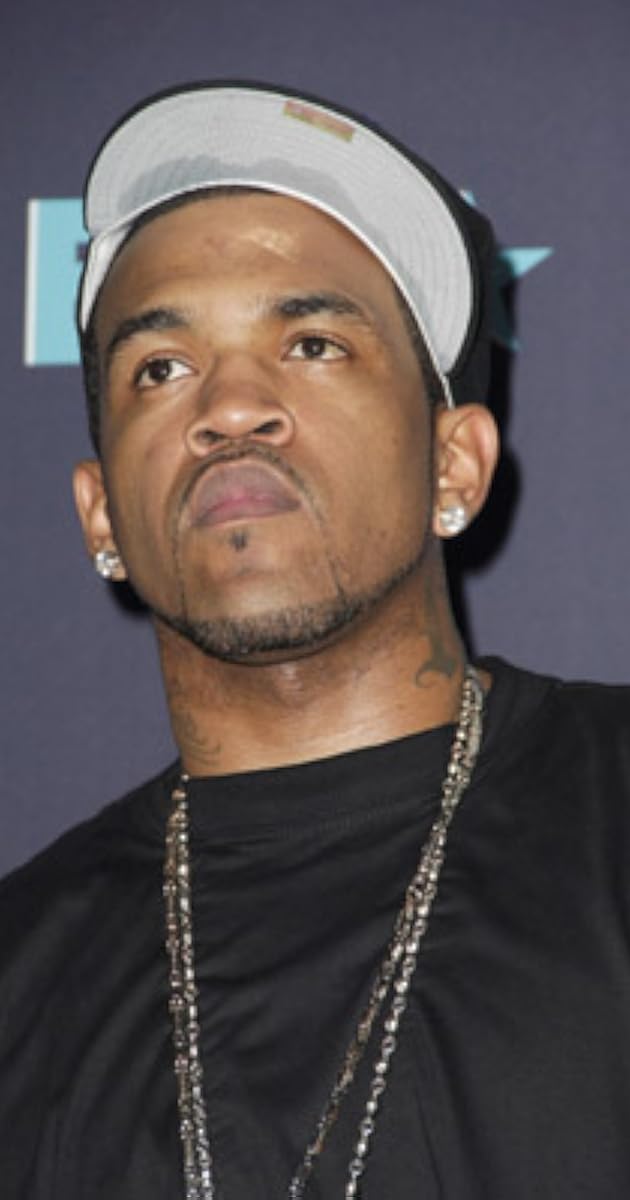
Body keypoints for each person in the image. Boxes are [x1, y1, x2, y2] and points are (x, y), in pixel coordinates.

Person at [1, 82, 630, 1200]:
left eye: (313, 343)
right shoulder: (20, 972)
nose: (230, 406)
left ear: (454, 466)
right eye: (161, 367)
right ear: (100, 517)